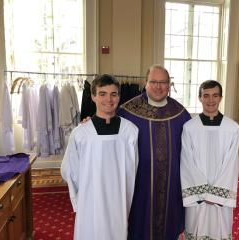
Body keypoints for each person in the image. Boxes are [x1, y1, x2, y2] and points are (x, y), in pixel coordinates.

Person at [61, 74, 139, 240]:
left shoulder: (130, 131)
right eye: (102, 94)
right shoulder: (81, 133)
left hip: (118, 200)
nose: (109, 100)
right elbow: (69, 171)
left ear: (119, 96)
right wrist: (82, 198)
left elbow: (133, 169)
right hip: (91, 202)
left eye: (114, 94)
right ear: (93, 96)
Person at [117, 64, 191, 239]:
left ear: (169, 84)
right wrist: (88, 122)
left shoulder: (180, 113)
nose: (158, 87)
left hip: (172, 184)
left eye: (163, 82)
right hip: (139, 184)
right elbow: (108, 132)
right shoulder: (127, 111)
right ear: (145, 83)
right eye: (154, 82)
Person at [180, 80, 239, 239]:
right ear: (199, 98)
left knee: (220, 230)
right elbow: (187, 161)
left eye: (215, 95)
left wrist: (215, 194)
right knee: (195, 228)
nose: (210, 100)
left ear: (221, 98)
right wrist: (203, 193)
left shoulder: (232, 128)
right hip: (197, 196)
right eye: (206, 96)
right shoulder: (189, 127)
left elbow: (232, 163)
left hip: (220, 197)